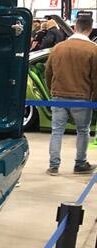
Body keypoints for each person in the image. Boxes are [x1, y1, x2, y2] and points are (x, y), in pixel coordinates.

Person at [45, 15, 97, 175]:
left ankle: (53, 166)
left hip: (58, 96)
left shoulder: (58, 48)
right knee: (83, 130)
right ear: (89, 29)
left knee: (57, 131)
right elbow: (96, 77)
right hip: (82, 98)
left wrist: (51, 90)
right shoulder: (93, 50)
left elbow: (48, 72)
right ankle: (80, 164)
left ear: (75, 26)